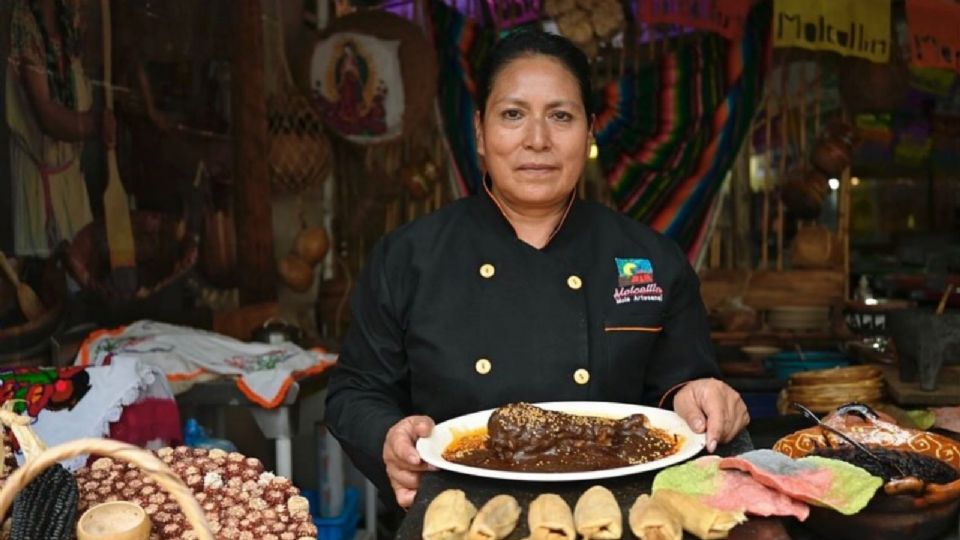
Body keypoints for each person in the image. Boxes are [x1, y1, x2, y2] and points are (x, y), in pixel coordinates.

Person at [325, 29, 749, 509]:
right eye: (513, 115)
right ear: (480, 132)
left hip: (619, 515)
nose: (538, 140)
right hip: (457, 514)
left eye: (561, 116)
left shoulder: (652, 258)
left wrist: (701, 397)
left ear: (589, 131)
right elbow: (355, 392)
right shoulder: (408, 257)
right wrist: (387, 435)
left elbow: (682, 389)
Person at [6, 0, 116, 257]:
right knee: (48, 285)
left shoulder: (69, 13)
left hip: (70, 180)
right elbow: (46, 115)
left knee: (82, 274)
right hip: (40, 184)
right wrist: (96, 125)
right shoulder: (24, 20)